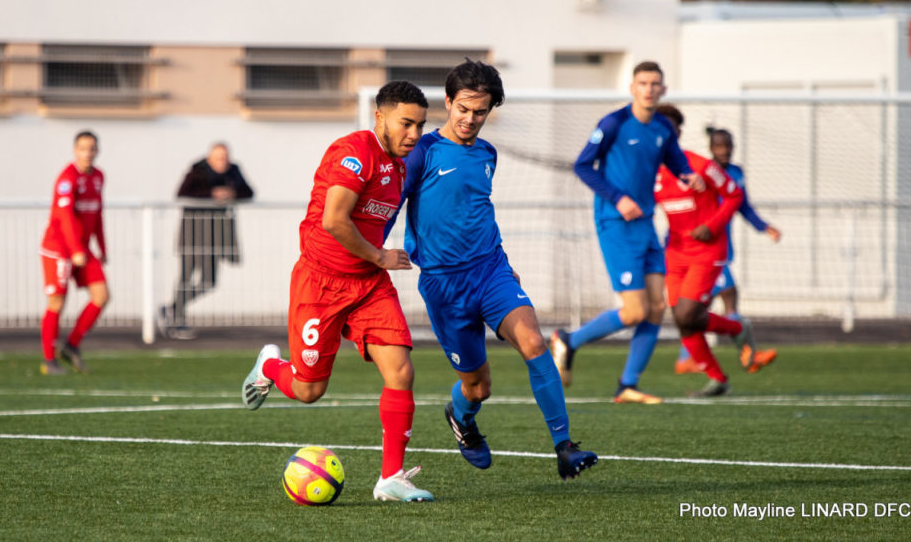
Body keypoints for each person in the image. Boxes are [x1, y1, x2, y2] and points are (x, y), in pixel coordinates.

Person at [392, 59, 597, 480]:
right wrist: (373, 253)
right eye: (463, 108)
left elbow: (477, 209)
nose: (470, 119)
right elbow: (390, 205)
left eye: (480, 111)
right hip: (444, 285)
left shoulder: (488, 153)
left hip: (490, 271)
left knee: (534, 342)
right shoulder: (423, 153)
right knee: (478, 386)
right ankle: (461, 416)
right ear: (448, 103)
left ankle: (565, 447)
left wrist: (503, 260)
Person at [241, 81, 433, 503]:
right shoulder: (354, 152)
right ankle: (270, 366)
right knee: (309, 391)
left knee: (401, 371)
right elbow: (334, 220)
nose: (414, 134)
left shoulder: (400, 165)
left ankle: (391, 478)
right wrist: (381, 256)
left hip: (368, 285)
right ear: (379, 117)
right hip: (321, 282)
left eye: (420, 125)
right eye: (406, 123)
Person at [550, 61, 704, 404]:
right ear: (633, 88)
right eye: (643, 83)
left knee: (657, 307)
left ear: (663, 90)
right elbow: (582, 166)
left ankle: (627, 385)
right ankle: (568, 340)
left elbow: (675, 159)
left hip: (646, 224)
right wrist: (618, 198)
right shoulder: (614, 123)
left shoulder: (663, 127)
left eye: (655, 84)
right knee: (634, 311)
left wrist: (688, 175)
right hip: (615, 223)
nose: (649, 89)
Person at [653, 104, 749, 397]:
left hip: (707, 250)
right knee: (682, 320)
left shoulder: (701, 165)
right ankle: (718, 379)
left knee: (686, 313)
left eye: (668, 129)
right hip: (675, 252)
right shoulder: (650, 171)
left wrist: (711, 225)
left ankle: (738, 330)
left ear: (677, 133)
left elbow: (734, 195)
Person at [674, 127, 779, 375]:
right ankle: (747, 353)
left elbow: (743, 205)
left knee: (697, 309)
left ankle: (688, 358)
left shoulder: (736, 173)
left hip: (722, 248)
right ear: (711, 148)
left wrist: (764, 226)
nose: (724, 150)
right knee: (727, 295)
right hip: (705, 250)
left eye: (728, 145)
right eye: (719, 146)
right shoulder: (704, 172)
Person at [159, 143, 254, 340]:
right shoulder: (197, 171)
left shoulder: (234, 171)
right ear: (210, 158)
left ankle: (171, 308)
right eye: (218, 157)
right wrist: (212, 195)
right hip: (192, 233)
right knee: (186, 276)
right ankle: (177, 318)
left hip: (216, 235)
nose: (222, 161)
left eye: (225, 157)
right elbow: (182, 194)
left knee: (209, 281)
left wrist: (232, 194)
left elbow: (249, 192)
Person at [38, 130, 109, 375]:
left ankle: (71, 346)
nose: (87, 153)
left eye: (91, 148)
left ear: (97, 151)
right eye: (82, 148)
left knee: (101, 295)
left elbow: (97, 213)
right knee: (57, 302)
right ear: (75, 151)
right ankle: (49, 360)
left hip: (82, 248)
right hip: (59, 247)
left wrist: (102, 247)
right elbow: (65, 216)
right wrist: (76, 250)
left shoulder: (98, 176)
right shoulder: (67, 178)